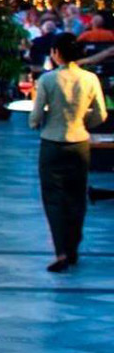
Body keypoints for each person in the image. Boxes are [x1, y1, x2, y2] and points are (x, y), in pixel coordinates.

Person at [31, 33, 109, 273]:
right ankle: (73, 247)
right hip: (79, 144)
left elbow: (35, 118)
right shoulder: (90, 79)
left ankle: (61, 251)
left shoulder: (47, 79)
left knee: (54, 199)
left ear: (55, 53)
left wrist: (37, 122)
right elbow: (101, 114)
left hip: (52, 144)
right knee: (77, 198)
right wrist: (85, 121)